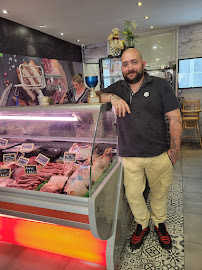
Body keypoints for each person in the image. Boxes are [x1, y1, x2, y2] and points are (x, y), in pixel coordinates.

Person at [98, 48, 182, 250]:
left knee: (159, 194)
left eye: (133, 62)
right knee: (133, 195)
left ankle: (159, 223)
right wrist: (113, 98)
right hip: (129, 156)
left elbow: (175, 118)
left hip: (158, 154)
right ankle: (143, 224)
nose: (130, 68)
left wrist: (174, 153)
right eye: (125, 64)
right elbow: (96, 95)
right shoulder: (118, 87)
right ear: (121, 68)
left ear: (143, 64)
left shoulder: (161, 86)